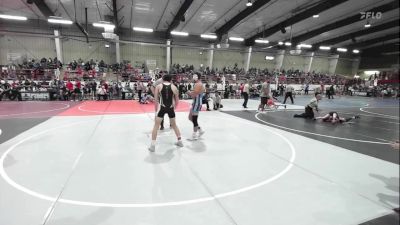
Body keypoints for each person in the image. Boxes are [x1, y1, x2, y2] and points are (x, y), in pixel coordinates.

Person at [148, 74, 183, 152]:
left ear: (163, 79)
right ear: (171, 80)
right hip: (171, 108)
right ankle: (180, 141)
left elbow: (156, 99)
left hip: (162, 108)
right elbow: (177, 101)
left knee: (156, 126)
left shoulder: (158, 86)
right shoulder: (174, 87)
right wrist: (174, 108)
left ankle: (153, 146)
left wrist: (156, 110)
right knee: (174, 125)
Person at [188, 74, 205, 140]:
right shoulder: (199, 84)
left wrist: (189, 92)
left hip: (197, 103)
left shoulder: (198, 84)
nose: (193, 77)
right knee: (190, 117)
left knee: (194, 119)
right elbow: (196, 93)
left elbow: (193, 95)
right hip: (196, 103)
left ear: (196, 77)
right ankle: (200, 130)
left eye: (194, 76)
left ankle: (194, 135)